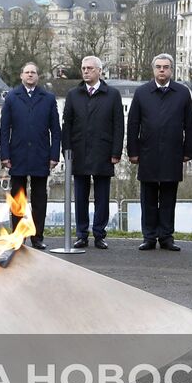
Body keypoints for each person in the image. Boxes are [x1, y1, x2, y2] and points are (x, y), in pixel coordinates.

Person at [126, 54, 192, 251]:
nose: (162, 70)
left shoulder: (182, 93)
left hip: (173, 153)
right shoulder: (142, 93)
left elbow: (191, 125)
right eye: (158, 67)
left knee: (168, 198)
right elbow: (133, 124)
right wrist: (133, 151)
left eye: (166, 67)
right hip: (147, 152)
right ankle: (149, 236)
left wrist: (188, 152)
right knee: (148, 197)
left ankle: (166, 237)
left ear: (171, 70)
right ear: (153, 69)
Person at [61, 55, 123, 251]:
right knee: (80, 196)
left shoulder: (112, 94)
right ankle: (81, 234)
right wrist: (67, 150)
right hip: (79, 152)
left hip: (103, 152)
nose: (85, 71)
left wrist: (116, 152)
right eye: (83, 68)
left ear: (99, 71)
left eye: (89, 68)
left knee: (102, 196)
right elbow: (67, 125)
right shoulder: (73, 94)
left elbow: (118, 126)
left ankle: (99, 234)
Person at [0, 62, 60, 249]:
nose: (30, 75)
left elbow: (55, 130)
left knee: (40, 199)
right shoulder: (11, 97)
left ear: (38, 76)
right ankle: (18, 237)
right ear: (21, 75)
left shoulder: (48, 98)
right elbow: (4, 129)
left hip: (41, 155)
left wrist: (54, 155)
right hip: (17, 154)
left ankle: (37, 237)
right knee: (18, 198)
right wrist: (5, 155)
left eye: (33, 72)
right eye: (27, 72)